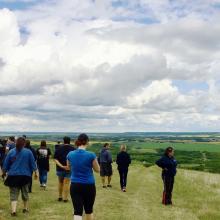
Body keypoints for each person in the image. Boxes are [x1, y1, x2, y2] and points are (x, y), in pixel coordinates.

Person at [67, 133, 100, 220]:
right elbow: (98, 170)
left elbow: (69, 167)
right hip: (89, 185)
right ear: (87, 142)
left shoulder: (70, 154)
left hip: (75, 185)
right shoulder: (91, 155)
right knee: (89, 210)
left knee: (77, 211)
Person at [2, 137, 38, 216]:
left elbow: (5, 165)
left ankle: (13, 211)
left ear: (16, 143)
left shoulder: (11, 152)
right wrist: (36, 173)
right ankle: (25, 208)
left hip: (13, 176)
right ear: (24, 144)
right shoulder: (28, 152)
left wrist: (3, 173)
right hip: (25, 176)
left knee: (14, 194)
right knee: (25, 192)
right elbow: (33, 164)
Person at [54, 136, 75, 202]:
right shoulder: (73, 149)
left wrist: (62, 166)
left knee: (60, 182)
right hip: (69, 168)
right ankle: (65, 198)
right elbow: (75, 159)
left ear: (63, 141)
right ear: (69, 141)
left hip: (60, 168)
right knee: (66, 183)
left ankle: (60, 196)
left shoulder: (58, 148)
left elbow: (55, 159)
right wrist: (69, 166)